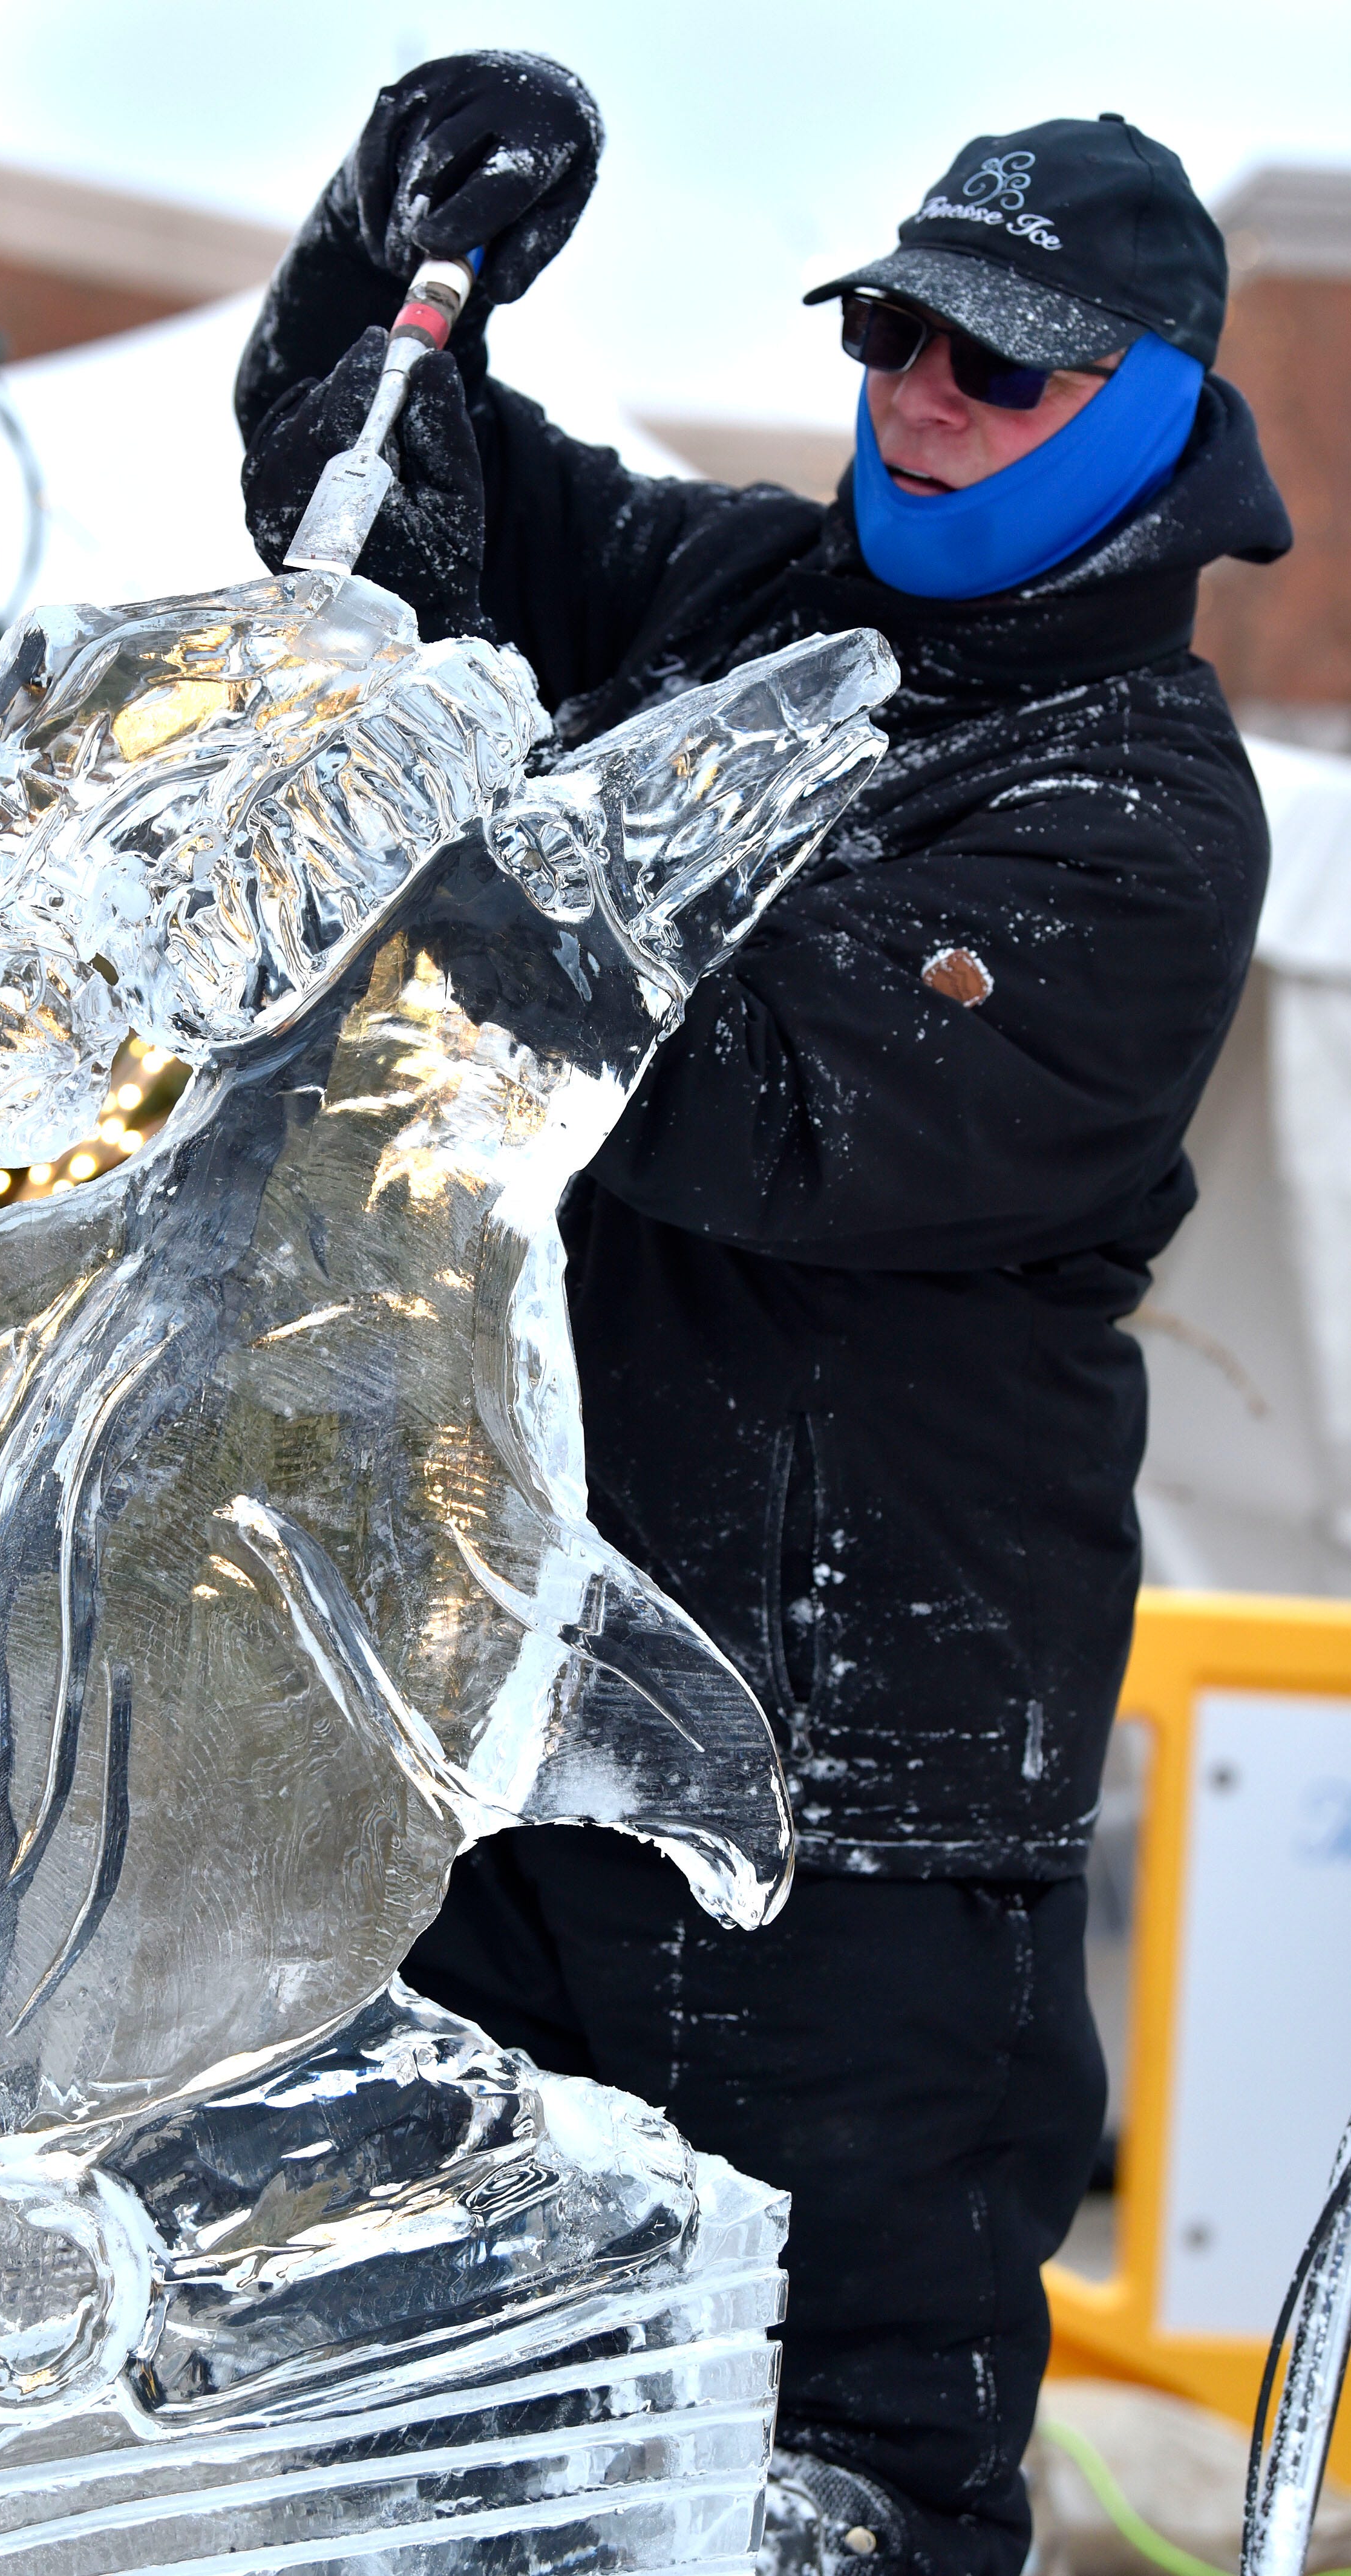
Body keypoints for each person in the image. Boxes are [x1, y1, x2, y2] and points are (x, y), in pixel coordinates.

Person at [234, 58, 1291, 2576]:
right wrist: (395, 241)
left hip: (850, 1829)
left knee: (819, 2484)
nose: (920, 395)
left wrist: (416, 848)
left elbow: (742, 1093)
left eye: (996, 360)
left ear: (1148, 412)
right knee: (435, 2458)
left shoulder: (1134, 815)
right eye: (889, 332)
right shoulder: (734, 598)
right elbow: (379, 496)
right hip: (517, 1736)